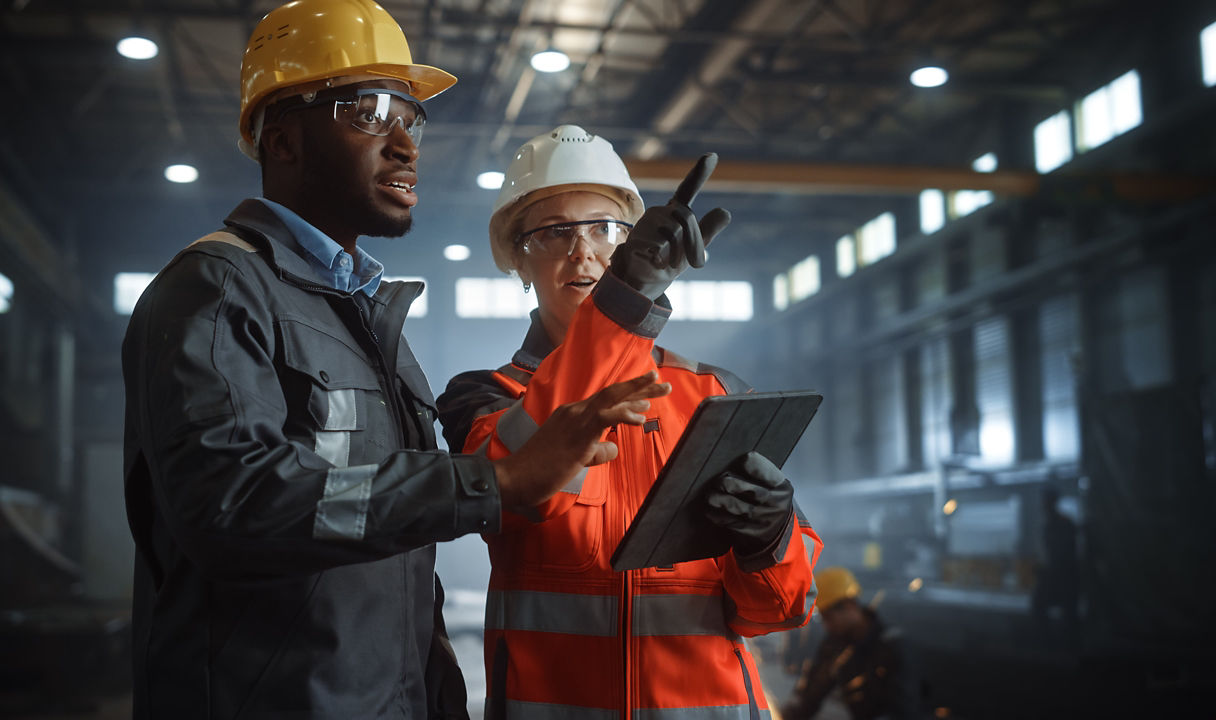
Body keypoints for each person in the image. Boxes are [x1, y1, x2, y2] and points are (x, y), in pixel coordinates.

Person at [120, 5, 669, 719]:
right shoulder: (219, 290)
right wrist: (491, 481)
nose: (405, 144)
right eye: (370, 113)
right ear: (282, 139)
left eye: (410, 118)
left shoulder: (369, 320)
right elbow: (233, 505)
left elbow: (395, 557)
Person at [436, 125, 822, 718]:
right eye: (555, 232)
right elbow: (515, 490)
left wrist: (769, 540)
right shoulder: (486, 398)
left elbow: (775, 612)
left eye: (606, 229)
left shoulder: (712, 394)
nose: (583, 250)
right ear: (518, 258)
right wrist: (627, 298)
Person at [781, 567, 921, 720]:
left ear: (850, 606)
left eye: (829, 618)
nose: (826, 626)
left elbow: (903, 711)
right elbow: (813, 692)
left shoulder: (892, 647)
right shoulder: (834, 645)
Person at [1030, 485, 1079, 648]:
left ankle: (1057, 643)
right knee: (1040, 604)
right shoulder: (1053, 525)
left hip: (1065, 578)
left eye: (1044, 501)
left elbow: (1062, 556)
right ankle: (1052, 641)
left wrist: (1045, 571)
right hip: (1060, 577)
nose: (1042, 505)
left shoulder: (1061, 525)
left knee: (1042, 604)